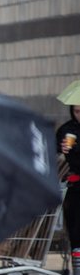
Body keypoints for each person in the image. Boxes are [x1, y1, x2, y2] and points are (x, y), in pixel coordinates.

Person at [56, 104, 80, 252]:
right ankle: (77, 269)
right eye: (77, 111)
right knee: (75, 231)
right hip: (74, 187)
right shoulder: (66, 130)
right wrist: (61, 148)